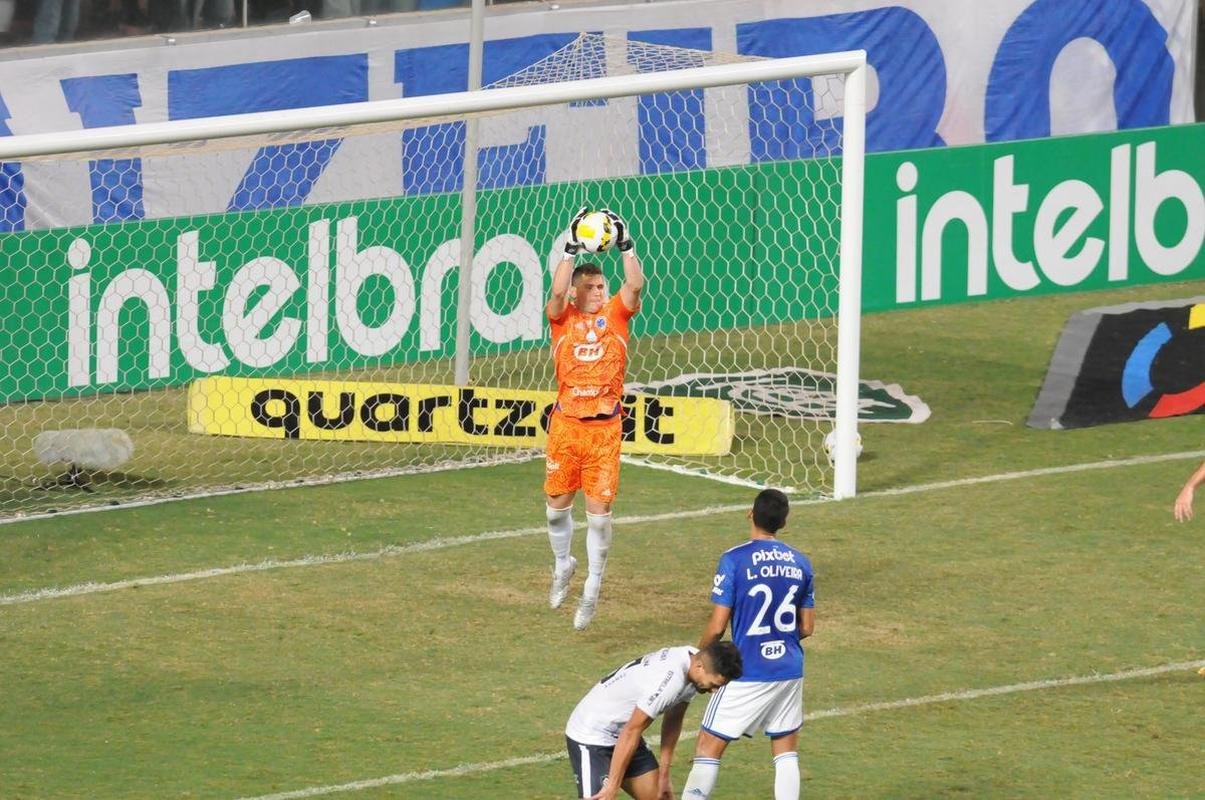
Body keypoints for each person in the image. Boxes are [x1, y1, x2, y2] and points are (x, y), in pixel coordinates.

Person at [681, 489, 816, 800]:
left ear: (750, 514)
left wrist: (700, 658)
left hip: (746, 670)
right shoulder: (802, 563)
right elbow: (807, 627)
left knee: (708, 745)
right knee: (785, 749)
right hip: (789, 668)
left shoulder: (734, 559)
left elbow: (717, 626)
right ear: (784, 522)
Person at [545, 206, 643, 630]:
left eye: (602, 285)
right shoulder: (561, 317)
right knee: (554, 511)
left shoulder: (616, 317)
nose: (599, 291)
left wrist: (626, 245)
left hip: (604, 431)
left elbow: (635, 284)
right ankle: (563, 565)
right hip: (565, 428)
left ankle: (593, 586)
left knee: (599, 515)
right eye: (590, 287)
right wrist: (569, 249)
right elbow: (554, 294)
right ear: (576, 292)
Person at [565, 641, 743, 800]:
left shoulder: (693, 663)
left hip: (623, 732)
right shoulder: (670, 680)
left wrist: (664, 772)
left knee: (658, 796)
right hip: (592, 733)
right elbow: (632, 730)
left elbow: (674, 718)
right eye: (713, 685)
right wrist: (612, 786)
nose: (713, 692)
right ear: (699, 666)